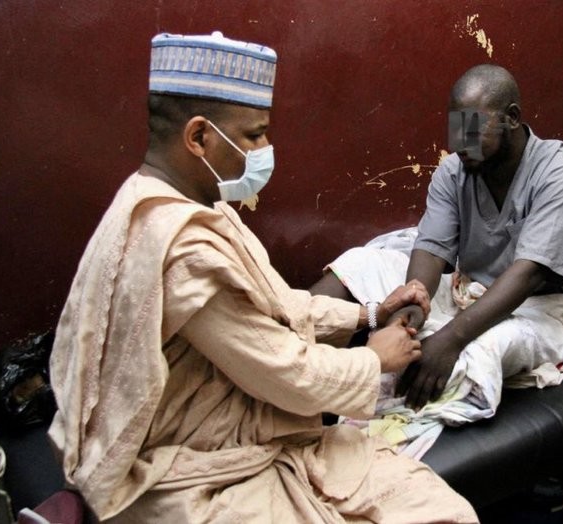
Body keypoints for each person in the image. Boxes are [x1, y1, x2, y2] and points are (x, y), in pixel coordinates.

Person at [48, 32, 479, 523]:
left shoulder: (191, 204)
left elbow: (276, 304)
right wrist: (372, 358)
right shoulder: (181, 243)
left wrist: (366, 312)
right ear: (198, 138)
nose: (265, 149)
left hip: (240, 421)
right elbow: (285, 372)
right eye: (254, 135)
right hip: (197, 457)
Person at [394, 64, 563, 409]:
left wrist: (451, 339)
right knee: (364, 265)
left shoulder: (562, 172)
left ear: (511, 117)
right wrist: (412, 306)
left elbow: (531, 271)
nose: (461, 143)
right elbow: (431, 251)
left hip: (546, 309)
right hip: (473, 294)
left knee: (481, 350)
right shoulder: (455, 170)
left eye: (473, 129)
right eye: (456, 128)